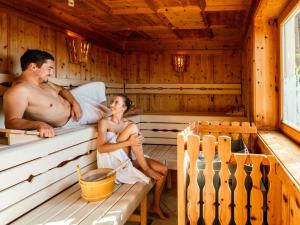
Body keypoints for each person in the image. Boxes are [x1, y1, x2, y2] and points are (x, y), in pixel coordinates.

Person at [3, 49, 110, 137]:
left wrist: (74, 103)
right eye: (49, 68)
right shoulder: (19, 90)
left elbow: (62, 90)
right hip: (73, 121)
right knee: (112, 120)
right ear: (33, 67)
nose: (52, 73)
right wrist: (39, 124)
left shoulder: (44, 83)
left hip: (79, 107)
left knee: (113, 116)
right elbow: (11, 122)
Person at [97, 95, 169, 220]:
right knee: (133, 128)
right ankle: (146, 169)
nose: (111, 105)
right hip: (116, 164)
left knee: (164, 169)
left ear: (123, 108)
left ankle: (155, 205)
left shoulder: (128, 124)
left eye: (116, 102)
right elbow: (101, 148)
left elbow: (135, 144)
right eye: (112, 102)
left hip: (132, 159)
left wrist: (139, 140)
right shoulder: (105, 123)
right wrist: (128, 143)